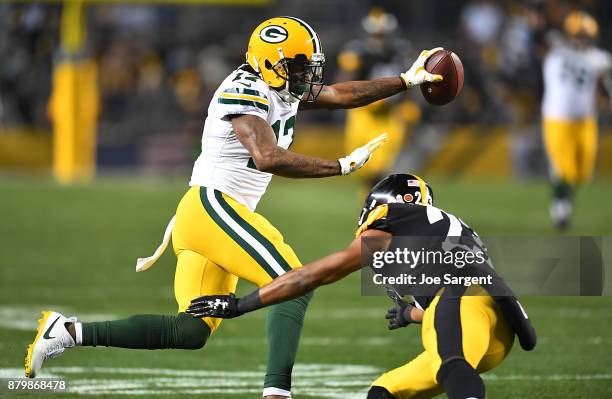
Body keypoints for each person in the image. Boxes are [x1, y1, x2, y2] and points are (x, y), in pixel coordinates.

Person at [25, 16, 443, 399]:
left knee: (189, 330)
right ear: (269, 64)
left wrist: (406, 80)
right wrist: (341, 165)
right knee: (294, 283)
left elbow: (338, 92)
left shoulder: (280, 82)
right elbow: (268, 157)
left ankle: (67, 332)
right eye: (297, 67)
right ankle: (277, 394)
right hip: (213, 207)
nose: (304, 76)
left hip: (206, 217)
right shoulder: (243, 90)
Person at [187, 173, 537, 399]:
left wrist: (240, 305)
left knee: (452, 366)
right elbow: (472, 297)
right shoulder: (444, 227)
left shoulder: (392, 220)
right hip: (491, 331)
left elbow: (314, 275)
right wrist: (413, 314)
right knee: (384, 391)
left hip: (461, 310)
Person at [337, 8, 420, 194]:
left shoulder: (401, 52)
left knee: (380, 166)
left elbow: (411, 81)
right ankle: (372, 200)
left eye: (382, 35)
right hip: (363, 113)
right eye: (375, 34)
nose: (378, 39)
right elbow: (344, 81)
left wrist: (409, 104)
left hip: (390, 115)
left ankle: (375, 204)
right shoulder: (357, 51)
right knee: (360, 165)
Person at [542, 10, 612, 230]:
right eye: (576, 34)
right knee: (563, 169)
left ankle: (564, 196)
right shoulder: (557, 52)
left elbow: (604, 86)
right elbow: (540, 35)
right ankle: (560, 207)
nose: (579, 39)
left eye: (583, 35)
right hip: (557, 119)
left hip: (585, 120)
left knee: (583, 173)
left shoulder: (599, 58)